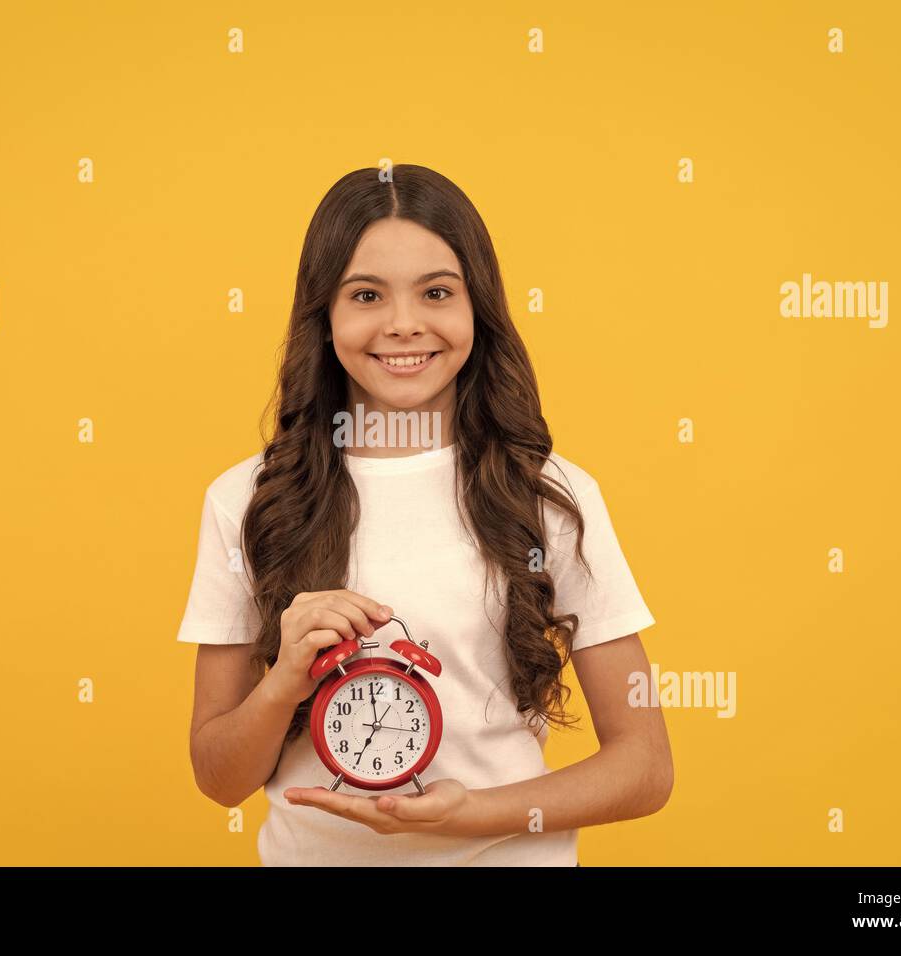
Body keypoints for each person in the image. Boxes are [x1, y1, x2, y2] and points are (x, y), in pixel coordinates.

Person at [177, 164, 673, 865]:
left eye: (437, 292)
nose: (403, 324)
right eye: (366, 295)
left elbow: (646, 766)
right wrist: (287, 677)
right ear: (324, 315)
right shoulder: (247, 501)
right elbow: (218, 777)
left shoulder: (548, 495)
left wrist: (468, 816)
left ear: (478, 309)